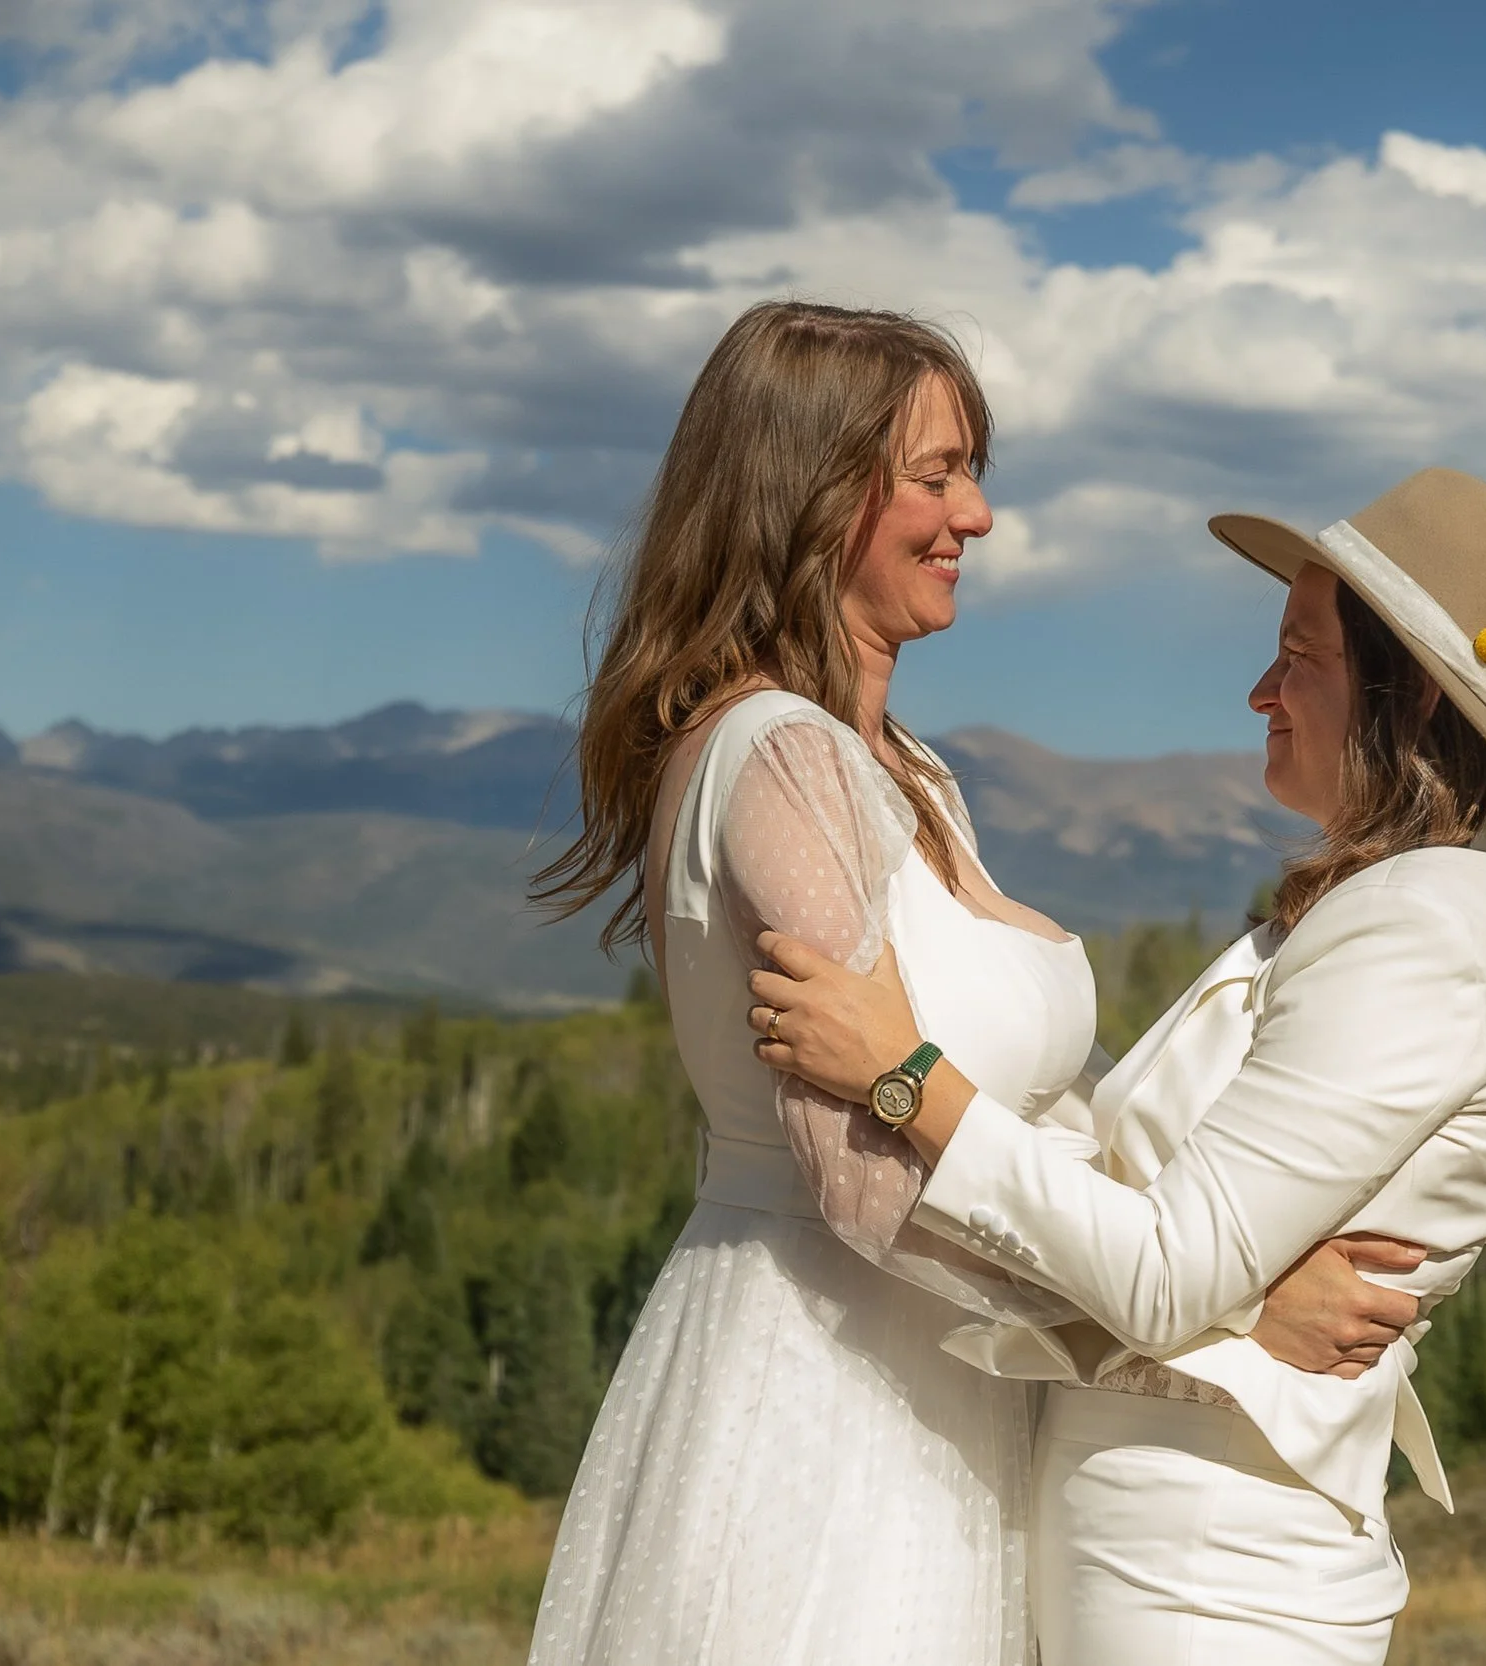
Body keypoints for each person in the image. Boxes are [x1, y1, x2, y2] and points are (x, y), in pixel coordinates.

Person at [523, 300, 1422, 1666]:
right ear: (809, 489)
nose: (979, 514)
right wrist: (1216, 1316)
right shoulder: (781, 759)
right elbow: (860, 1176)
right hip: (825, 1411)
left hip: (945, 1401)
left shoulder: (906, 774)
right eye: (936, 474)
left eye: (971, 472)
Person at [749, 466, 1486, 1664]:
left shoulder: (1426, 941)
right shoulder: (1359, 913)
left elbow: (1160, 1274)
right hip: (1158, 1551)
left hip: (1210, 1574)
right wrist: (1250, 1295)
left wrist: (906, 1079)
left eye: (1297, 655)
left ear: (1402, 702)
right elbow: (1156, 1210)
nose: (1258, 690)